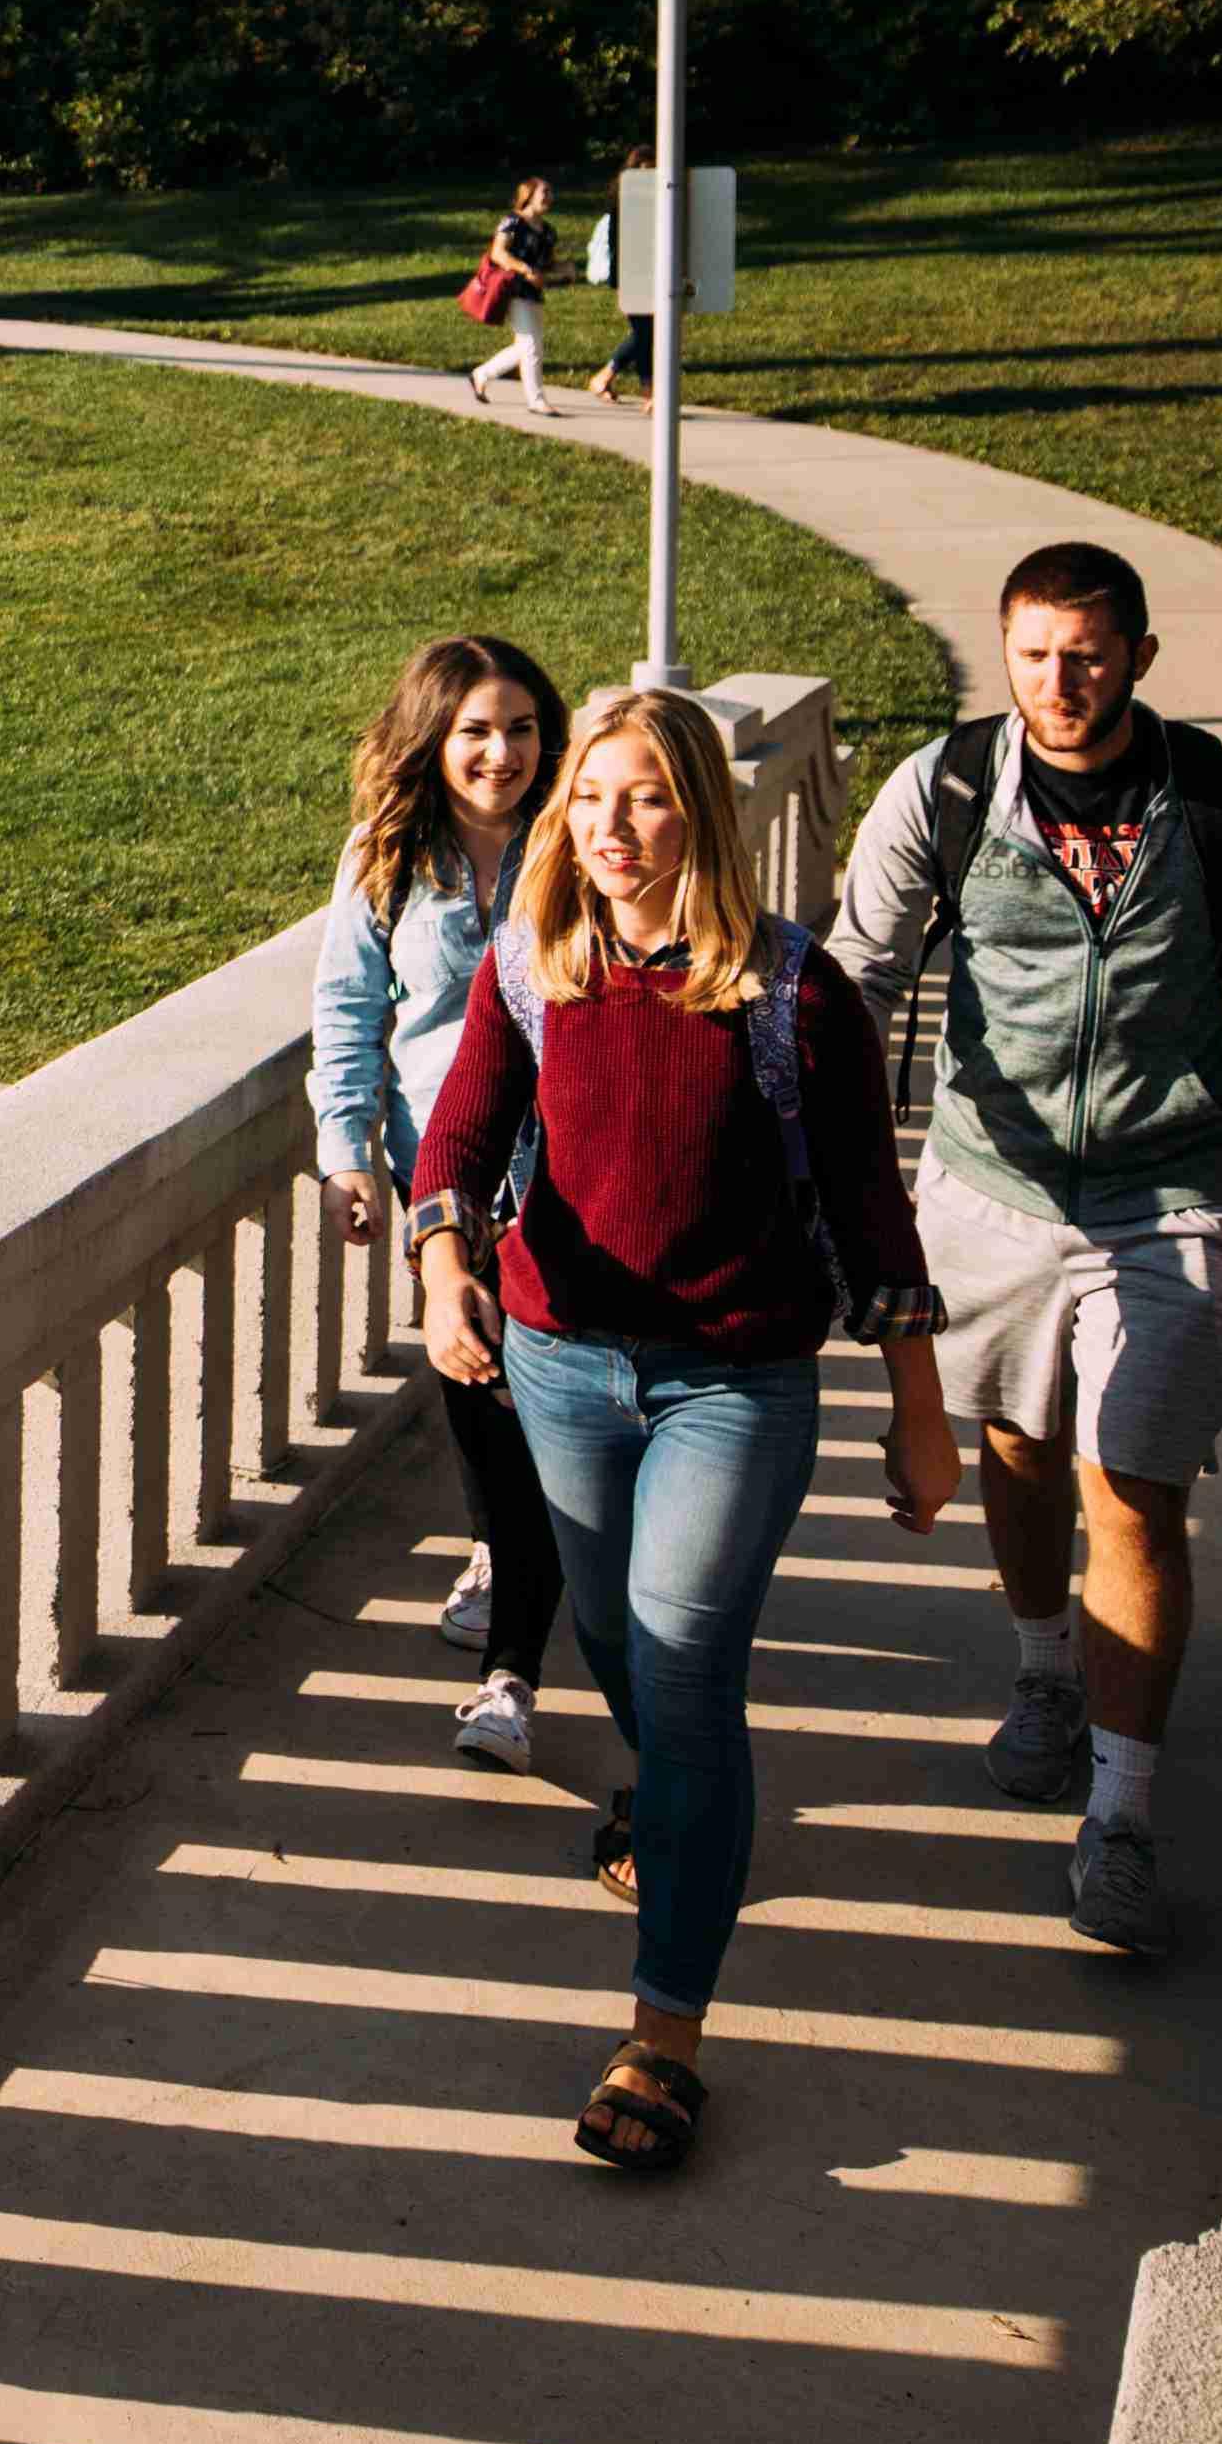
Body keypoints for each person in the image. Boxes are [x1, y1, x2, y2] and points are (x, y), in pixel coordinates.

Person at [410, 686, 955, 2177]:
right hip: (561, 1366)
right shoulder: (533, 968)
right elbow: (459, 1131)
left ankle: (665, 2031)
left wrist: (919, 1411)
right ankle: (682, 1813)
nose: (611, 828)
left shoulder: (791, 993)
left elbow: (865, 1201)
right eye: (591, 798)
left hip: (737, 1378)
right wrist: (446, 1265)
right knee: (619, 1648)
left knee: (686, 1660)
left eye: (644, 798)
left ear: (700, 812)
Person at [823, 539, 1222, 1964]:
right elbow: (855, 982)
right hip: (987, 1192)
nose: (1061, 682)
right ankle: (1046, 1669)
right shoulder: (941, 792)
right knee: (1017, 1450)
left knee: (1135, 1480)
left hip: (1167, 1195)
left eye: (1091, 655)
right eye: (1037, 652)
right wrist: (847, 1180)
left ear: (1141, 658)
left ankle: (1121, 1812)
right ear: (1006, 650)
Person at [311, 635, 570, 1767]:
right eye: (475, 730)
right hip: (442, 1181)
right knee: (473, 1383)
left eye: (520, 728)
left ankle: (512, 1662)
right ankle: (500, 1552)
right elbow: (346, 1005)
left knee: (529, 1402)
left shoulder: (575, 837)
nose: (501, 752)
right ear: (432, 736)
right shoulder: (387, 854)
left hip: (567, 1169)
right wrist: (348, 1149)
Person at [467, 173, 562, 413]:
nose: (549, 197)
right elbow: (498, 253)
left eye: (551, 192)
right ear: (528, 195)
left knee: (527, 346)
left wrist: (564, 269)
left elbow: (548, 263)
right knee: (531, 346)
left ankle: (481, 374)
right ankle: (536, 400)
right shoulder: (512, 222)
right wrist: (525, 269)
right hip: (511, 289)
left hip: (534, 292)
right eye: (544, 192)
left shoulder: (548, 232)